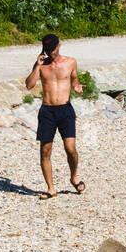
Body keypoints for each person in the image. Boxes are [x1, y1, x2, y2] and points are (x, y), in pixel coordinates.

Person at [24, 34, 85, 200]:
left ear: (59, 46)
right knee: (45, 151)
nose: (50, 53)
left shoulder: (70, 62)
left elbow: (73, 80)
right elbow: (29, 85)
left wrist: (77, 86)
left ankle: (74, 176)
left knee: (70, 149)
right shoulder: (42, 65)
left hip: (65, 110)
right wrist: (37, 66)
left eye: (52, 49)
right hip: (47, 111)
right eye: (47, 50)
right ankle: (51, 188)